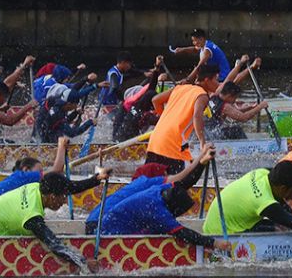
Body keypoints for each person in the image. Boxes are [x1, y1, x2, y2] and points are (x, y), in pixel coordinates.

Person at [92, 145, 231, 252]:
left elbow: (185, 183)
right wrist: (215, 243)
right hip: (101, 229)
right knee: (164, 229)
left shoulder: (157, 190)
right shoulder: (157, 208)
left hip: (102, 218)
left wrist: (203, 162)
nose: (167, 174)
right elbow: (184, 234)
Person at [0, 168, 111, 273]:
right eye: (63, 197)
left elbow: (70, 187)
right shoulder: (32, 215)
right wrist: (84, 262)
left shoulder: (37, 188)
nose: (64, 202)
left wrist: (97, 179)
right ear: (52, 197)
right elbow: (54, 245)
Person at [203, 147, 292, 237]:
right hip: (221, 236)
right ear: (284, 188)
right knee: (285, 227)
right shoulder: (264, 202)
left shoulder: (262, 173)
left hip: (215, 224)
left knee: (279, 223)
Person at [0, 137, 93, 233]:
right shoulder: (24, 177)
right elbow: (56, 172)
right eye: (40, 171)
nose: (42, 175)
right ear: (26, 169)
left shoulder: (17, 180)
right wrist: (61, 146)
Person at [146, 64, 219, 174]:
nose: (218, 84)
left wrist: (164, 118)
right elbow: (197, 116)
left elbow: (156, 100)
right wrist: (202, 142)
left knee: (148, 186)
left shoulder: (180, 88)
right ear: (207, 80)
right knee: (176, 187)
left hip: (155, 141)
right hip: (172, 145)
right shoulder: (202, 95)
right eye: (216, 80)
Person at [35, 74, 108, 143]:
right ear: (69, 104)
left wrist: (75, 113)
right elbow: (72, 133)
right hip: (45, 134)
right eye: (76, 104)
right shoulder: (58, 113)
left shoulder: (58, 103)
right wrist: (90, 122)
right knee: (60, 138)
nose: (76, 106)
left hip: (46, 126)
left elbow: (65, 120)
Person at [112, 56, 167, 142]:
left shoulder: (139, 103)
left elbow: (151, 88)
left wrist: (157, 68)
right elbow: (154, 121)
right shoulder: (139, 112)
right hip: (122, 140)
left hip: (124, 132)